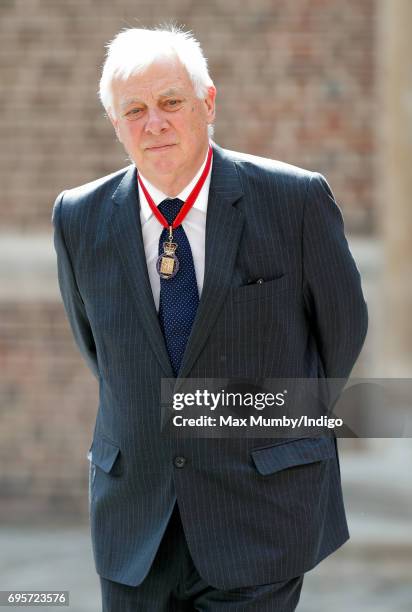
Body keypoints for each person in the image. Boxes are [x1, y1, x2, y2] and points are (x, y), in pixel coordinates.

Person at [52, 26, 368, 612]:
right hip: (135, 524)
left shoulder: (294, 201)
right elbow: (100, 350)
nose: (156, 123)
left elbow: (340, 337)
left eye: (171, 102)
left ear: (209, 102)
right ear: (115, 124)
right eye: (135, 110)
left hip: (260, 513)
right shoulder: (78, 217)